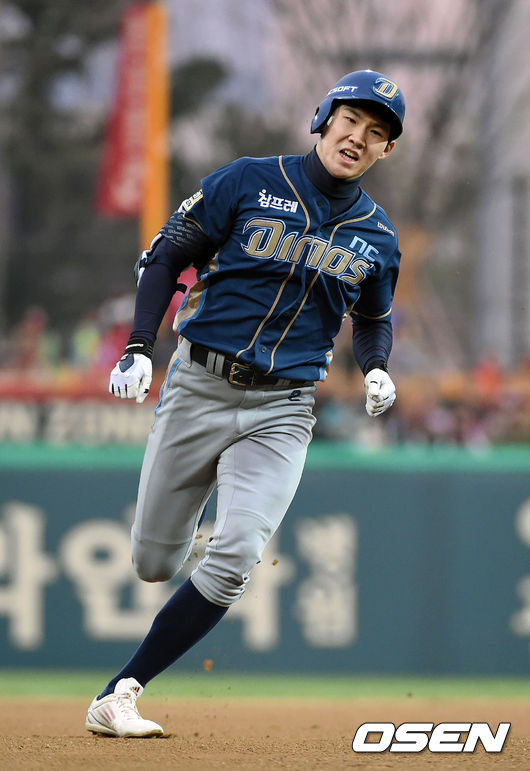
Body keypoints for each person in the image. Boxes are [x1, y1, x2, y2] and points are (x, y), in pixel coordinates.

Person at [85, 69, 405, 737]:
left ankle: (120, 692)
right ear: (325, 118)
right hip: (198, 386)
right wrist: (139, 346)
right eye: (351, 120)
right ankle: (200, 513)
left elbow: (374, 319)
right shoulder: (249, 181)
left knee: (233, 559)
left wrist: (376, 366)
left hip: (283, 408)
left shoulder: (377, 235)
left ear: (386, 150)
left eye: (376, 132)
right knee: (153, 563)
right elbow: (165, 257)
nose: (358, 137)